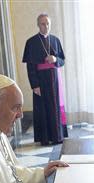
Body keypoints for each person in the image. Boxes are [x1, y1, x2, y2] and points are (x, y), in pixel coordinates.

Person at [22, 13, 68, 146]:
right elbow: (30, 66)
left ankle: (57, 136)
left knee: (55, 108)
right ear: (38, 25)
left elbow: (62, 60)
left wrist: (55, 59)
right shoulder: (31, 42)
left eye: (48, 23)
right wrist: (35, 85)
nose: (46, 26)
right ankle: (45, 138)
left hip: (54, 81)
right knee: (43, 108)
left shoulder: (55, 40)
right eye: (43, 23)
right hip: (41, 81)